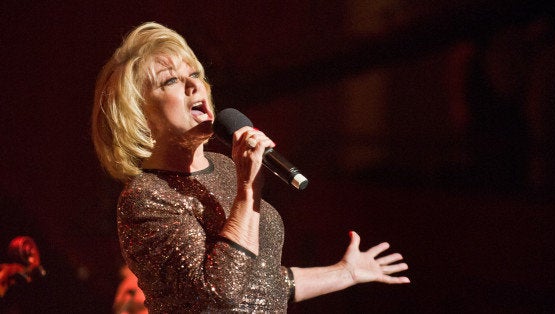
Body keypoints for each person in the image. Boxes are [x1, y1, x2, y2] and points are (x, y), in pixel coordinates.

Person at [92, 21, 410, 313]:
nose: (194, 86)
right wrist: (248, 191)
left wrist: (345, 272)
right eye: (171, 80)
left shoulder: (226, 167)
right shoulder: (146, 196)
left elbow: (262, 284)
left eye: (195, 75)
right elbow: (219, 289)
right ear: (139, 116)